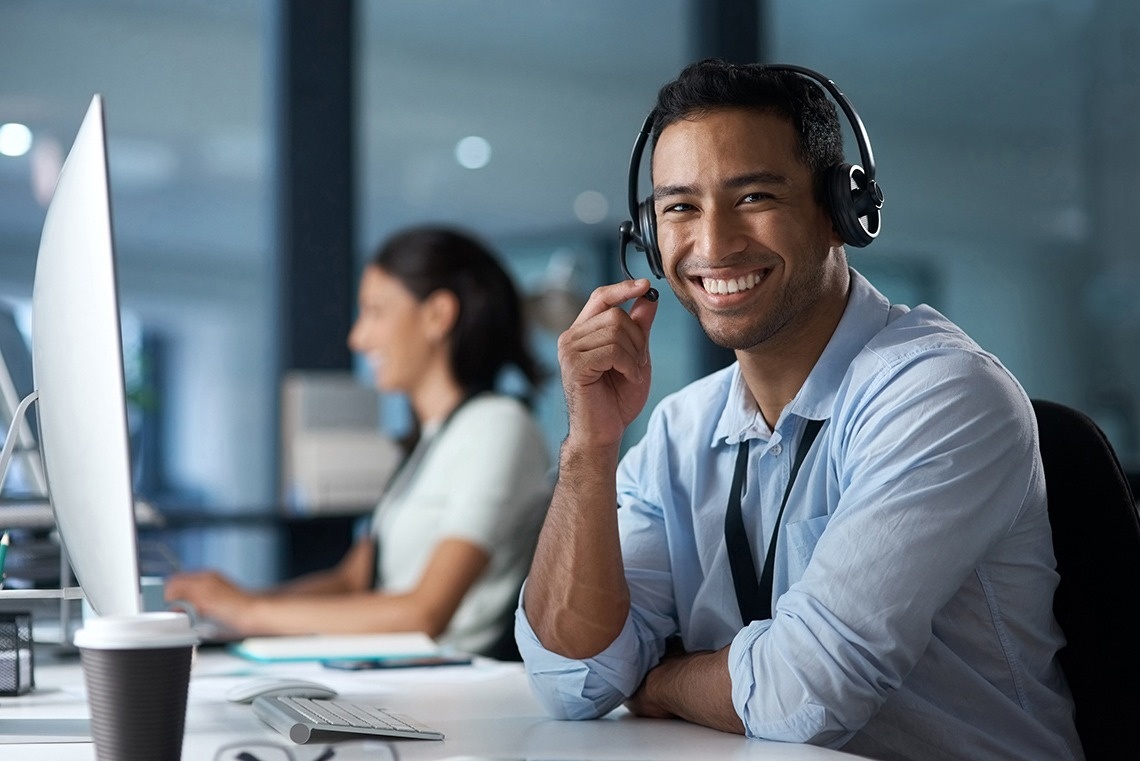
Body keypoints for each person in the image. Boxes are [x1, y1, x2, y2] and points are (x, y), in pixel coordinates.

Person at [517, 60, 1083, 760]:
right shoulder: (679, 429)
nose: (714, 243)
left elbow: (806, 694)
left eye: (753, 195)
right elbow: (572, 678)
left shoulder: (941, 395)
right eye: (680, 207)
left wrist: (658, 683)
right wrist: (589, 449)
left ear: (842, 212)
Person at [166, 226, 553, 657]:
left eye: (375, 311)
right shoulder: (431, 440)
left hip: (453, 686)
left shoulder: (498, 427)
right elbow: (353, 580)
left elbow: (424, 613)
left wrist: (250, 611)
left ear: (437, 315)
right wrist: (224, 611)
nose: (358, 337)